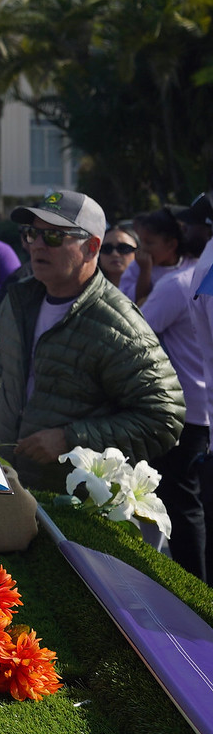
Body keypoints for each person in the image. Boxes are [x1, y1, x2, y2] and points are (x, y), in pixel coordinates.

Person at [0, 189, 184, 492]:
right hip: (8, 485)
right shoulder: (19, 300)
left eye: (53, 237)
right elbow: (6, 362)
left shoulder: (118, 324)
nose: (36, 244)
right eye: (32, 234)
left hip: (69, 503)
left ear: (92, 247)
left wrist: (71, 439)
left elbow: (165, 418)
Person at [138, 209, 211, 580]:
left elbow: (137, 332)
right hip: (199, 411)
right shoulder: (189, 279)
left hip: (185, 413)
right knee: (191, 506)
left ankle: (194, 587)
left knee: (183, 508)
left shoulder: (179, 283)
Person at [121, 206, 189, 307]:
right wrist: (145, 271)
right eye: (141, 241)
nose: (143, 248)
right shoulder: (137, 266)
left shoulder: (188, 266)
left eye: (149, 243)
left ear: (171, 245)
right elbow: (131, 303)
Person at [99, 223, 140, 288]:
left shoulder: (152, 287)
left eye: (123, 248)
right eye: (107, 248)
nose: (114, 254)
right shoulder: (85, 290)